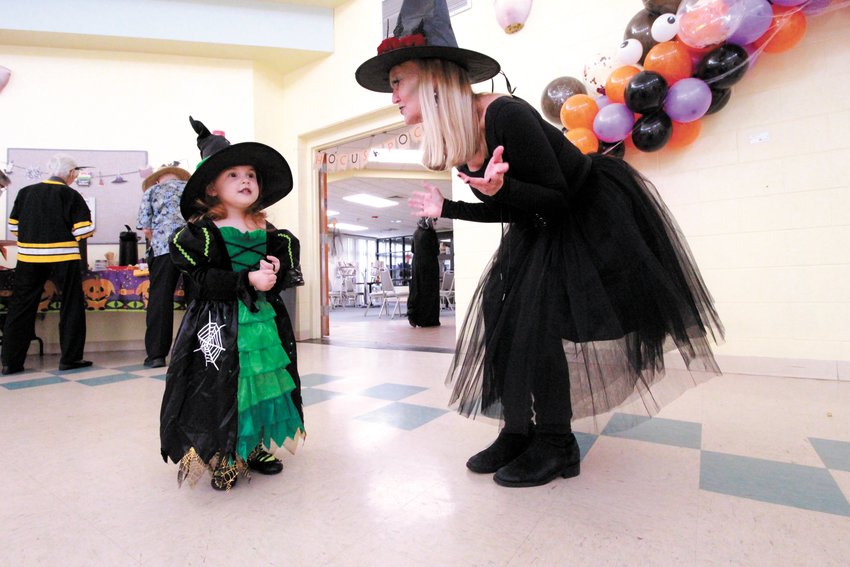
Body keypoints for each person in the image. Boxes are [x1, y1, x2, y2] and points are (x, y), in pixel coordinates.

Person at [356, 0, 723, 488]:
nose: (394, 95)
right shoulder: (462, 138)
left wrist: (500, 189)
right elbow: (513, 207)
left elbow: (555, 201)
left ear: (431, 75)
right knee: (498, 308)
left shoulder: (505, 115)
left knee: (538, 322)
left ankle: (556, 442)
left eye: (398, 81)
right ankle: (517, 430)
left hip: (582, 214)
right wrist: (450, 210)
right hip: (538, 220)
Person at [159, 117, 305, 491]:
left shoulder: (267, 231)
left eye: (251, 175)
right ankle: (222, 451)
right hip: (220, 323)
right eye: (233, 175)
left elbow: (283, 269)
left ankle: (252, 445)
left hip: (261, 323)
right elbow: (203, 281)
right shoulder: (202, 234)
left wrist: (274, 269)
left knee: (260, 383)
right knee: (223, 386)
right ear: (212, 188)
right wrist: (245, 279)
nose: (245, 181)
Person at [2, 154, 95, 375]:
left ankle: (11, 362)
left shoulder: (25, 193)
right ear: (71, 174)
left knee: (21, 308)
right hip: (65, 258)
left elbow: (14, 228)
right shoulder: (71, 195)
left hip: (29, 258)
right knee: (71, 306)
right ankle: (70, 359)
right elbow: (84, 231)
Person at [136, 162, 191, 368]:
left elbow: (146, 227)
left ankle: (156, 355)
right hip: (191, 247)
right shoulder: (191, 189)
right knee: (196, 300)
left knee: (160, 300)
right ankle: (195, 350)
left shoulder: (152, 191)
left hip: (163, 249)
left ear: (159, 179)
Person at [407, 217, 441, 327]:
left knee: (417, 289)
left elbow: (413, 249)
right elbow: (436, 250)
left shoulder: (416, 233)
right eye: (434, 221)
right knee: (430, 290)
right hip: (429, 264)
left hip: (416, 264)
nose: (435, 223)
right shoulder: (431, 233)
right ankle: (428, 319)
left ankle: (414, 316)